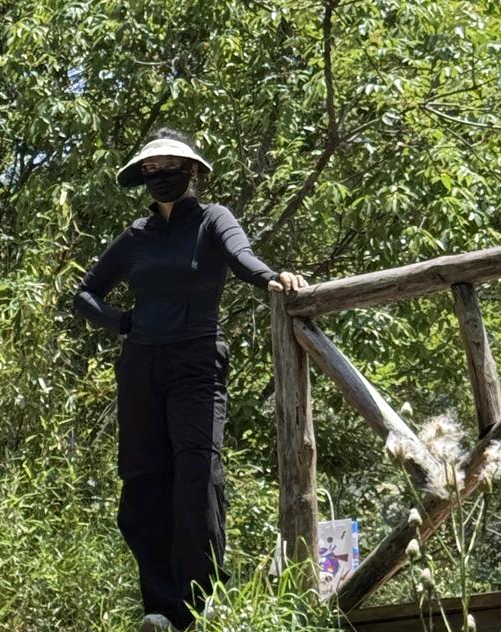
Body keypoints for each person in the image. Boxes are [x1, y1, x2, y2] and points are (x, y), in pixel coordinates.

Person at [74, 128, 307, 632]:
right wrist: (123, 322)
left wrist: (273, 276)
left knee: (198, 477)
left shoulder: (211, 220)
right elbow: (85, 294)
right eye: (152, 170)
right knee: (143, 483)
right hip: (141, 367)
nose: (161, 177)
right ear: (142, 176)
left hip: (197, 361)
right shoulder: (136, 236)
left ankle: (201, 602)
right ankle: (159, 608)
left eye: (170, 168)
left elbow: (241, 256)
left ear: (193, 171)